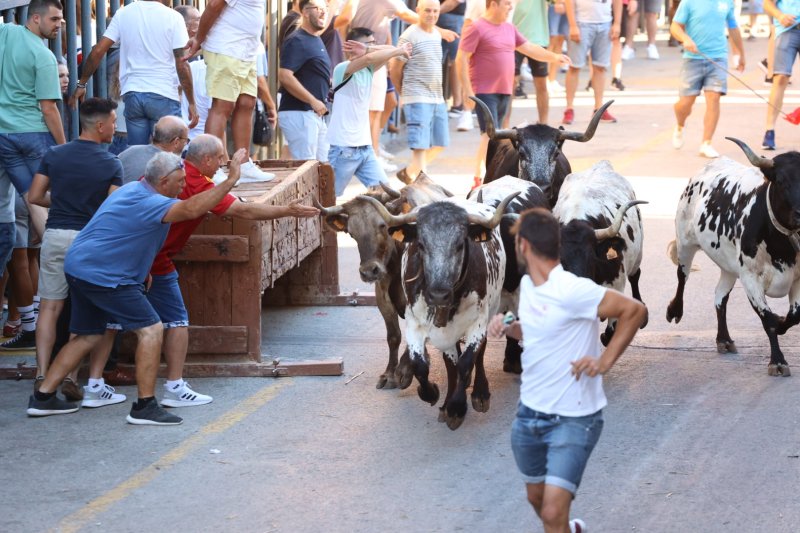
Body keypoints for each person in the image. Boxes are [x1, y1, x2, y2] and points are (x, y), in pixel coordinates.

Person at [92, 135, 319, 407]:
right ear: (207, 160)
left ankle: (94, 384)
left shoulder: (169, 173)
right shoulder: (197, 183)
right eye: (221, 159)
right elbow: (243, 211)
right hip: (153, 261)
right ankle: (174, 387)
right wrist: (288, 209)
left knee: (112, 323)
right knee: (176, 320)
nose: (222, 164)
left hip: (127, 256)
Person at [27, 151, 242, 425]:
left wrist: (143, 270)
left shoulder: (131, 189)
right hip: (104, 274)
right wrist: (231, 179)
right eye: (179, 181)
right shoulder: (152, 201)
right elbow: (191, 209)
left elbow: (128, 235)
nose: (183, 186)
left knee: (88, 335)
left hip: (80, 266)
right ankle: (144, 406)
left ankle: (43, 398)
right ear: (163, 182)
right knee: (151, 330)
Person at [487, 208, 646, 533]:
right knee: (538, 499)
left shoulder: (572, 290)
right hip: (529, 416)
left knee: (551, 512)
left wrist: (605, 361)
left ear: (524, 247)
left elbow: (635, 310)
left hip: (574, 420)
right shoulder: (530, 286)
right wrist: (508, 326)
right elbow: (534, 331)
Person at [27, 98, 124, 407]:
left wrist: (65, 202)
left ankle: (42, 374)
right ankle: (69, 376)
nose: (115, 127)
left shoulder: (54, 155)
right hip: (89, 241)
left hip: (55, 236)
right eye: (112, 121)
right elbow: (114, 208)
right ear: (99, 126)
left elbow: (35, 196)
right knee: (83, 313)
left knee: (49, 308)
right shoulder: (111, 162)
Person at [0, 0, 66, 342]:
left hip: (3, 136)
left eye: (63, 19)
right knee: (40, 202)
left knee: (26, 202)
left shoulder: (6, 33)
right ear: (35, 17)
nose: (60, 24)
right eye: (54, 18)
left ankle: (26, 317)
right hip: (31, 135)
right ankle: (63, 260)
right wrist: (64, 147)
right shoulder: (43, 56)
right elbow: (49, 108)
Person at [459, 0, 570, 190]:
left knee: (498, 137)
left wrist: (553, 57)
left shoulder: (509, 28)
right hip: (484, 91)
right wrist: (467, 90)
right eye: (507, 3)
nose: (511, 7)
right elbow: (460, 58)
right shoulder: (477, 28)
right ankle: (479, 178)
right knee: (489, 135)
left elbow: (529, 48)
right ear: (493, 4)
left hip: (504, 90)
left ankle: (490, 174)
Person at [70, 0, 198, 146]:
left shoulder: (123, 13)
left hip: (133, 94)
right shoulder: (173, 17)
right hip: (164, 93)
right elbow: (182, 63)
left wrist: (82, 83)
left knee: (137, 152)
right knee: (169, 157)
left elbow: (98, 51)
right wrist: (192, 102)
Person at [184, 0, 276, 181]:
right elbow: (213, 6)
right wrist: (199, 39)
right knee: (223, 106)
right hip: (226, 48)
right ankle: (212, 168)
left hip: (246, 52)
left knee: (247, 103)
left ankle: (243, 164)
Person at [328, 29, 409, 196]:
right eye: (370, 44)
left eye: (374, 44)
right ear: (352, 47)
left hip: (365, 148)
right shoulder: (342, 68)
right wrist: (399, 51)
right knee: (329, 198)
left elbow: (386, 50)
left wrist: (369, 48)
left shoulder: (368, 70)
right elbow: (373, 57)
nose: (375, 47)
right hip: (344, 148)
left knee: (385, 194)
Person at [670, 0, 744, 158]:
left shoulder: (727, 2)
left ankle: (706, 143)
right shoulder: (688, 2)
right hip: (692, 58)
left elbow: (733, 28)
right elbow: (675, 26)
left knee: (714, 97)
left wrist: (740, 53)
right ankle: (680, 125)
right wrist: (685, 39)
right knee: (684, 104)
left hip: (718, 58)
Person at [390, 0, 448, 183]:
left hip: (437, 98)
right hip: (416, 96)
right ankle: (422, 184)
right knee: (420, 147)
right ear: (418, 11)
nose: (432, 14)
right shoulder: (409, 36)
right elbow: (395, 68)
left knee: (441, 143)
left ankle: (409, 172)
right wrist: (404, 92)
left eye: (435, 11)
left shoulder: (437, 34)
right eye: (427, 11)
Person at [278, 0, 332, 162]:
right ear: (306, 12)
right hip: (300, 113)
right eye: (318, 8)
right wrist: (312, 100)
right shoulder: (297, 39)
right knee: (306, 170)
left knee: (324, 168)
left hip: (314, 114)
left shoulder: (315, 39)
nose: (323, 12)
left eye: (325, 9)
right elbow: (285, 75)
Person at [562, 0, 622, 125]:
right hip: (581, 23)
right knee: (574, 67)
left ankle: (599, 109)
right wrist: (573, 25)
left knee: (600, 67)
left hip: (605, 23)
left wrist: (617, 23)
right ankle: (569, 108)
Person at [761, 0, 799, 151]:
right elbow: (767, 3)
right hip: (786, 29)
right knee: (781, 77)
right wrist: (780, 15)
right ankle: (769, 130)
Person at [512, 0, 552, 124]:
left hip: (537, 39)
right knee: (510, 85)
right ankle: (504, 125)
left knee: (541, 84)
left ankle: (544, 123)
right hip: (512, 39)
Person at [117, 116, 189, 184]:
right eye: (186, 140)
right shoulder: (172, 167)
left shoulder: (129, 151)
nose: (186, 144)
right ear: (176, 142)